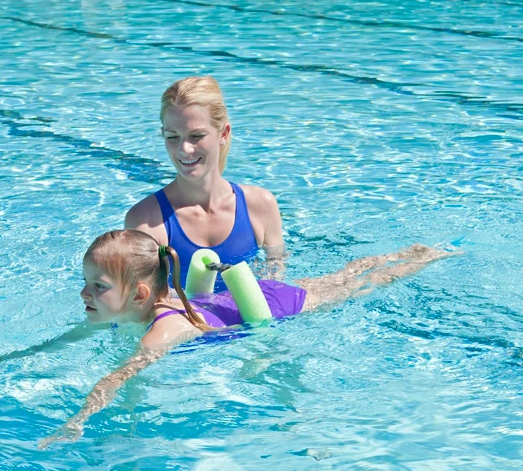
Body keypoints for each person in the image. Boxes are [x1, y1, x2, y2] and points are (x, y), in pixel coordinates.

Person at [38, 229, 456, 448]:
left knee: (360, 286)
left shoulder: (162, 330)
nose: (84, 293)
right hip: (243, 297)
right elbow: (70, 338)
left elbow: (118, 377)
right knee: (342, 278)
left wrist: (78, 420)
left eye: (98, 286)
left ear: (139, 295)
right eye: (87, 282)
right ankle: (404, 253)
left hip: (280, 306)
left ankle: (421, 259)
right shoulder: (140, 306)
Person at [124, 76, 284, 292]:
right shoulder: (146, 221)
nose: (185, 149)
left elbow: (274, 285)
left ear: (223, 134)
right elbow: (145, 301)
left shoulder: (260, 205)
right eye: (172, 137)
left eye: (196, 135)